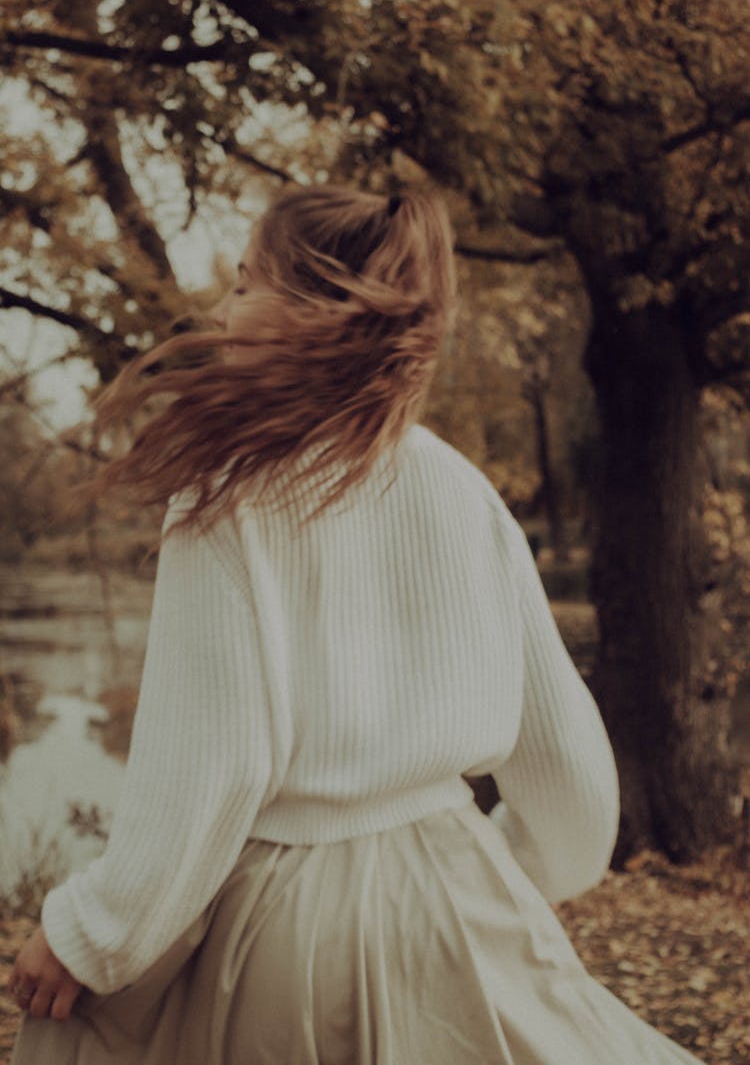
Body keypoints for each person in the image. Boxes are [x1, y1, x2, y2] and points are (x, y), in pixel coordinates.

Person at [9, 186, 703, 1064]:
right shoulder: (462, 490)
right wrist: (514, 879)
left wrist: (90, 933)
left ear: (315, 313)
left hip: (286, 928)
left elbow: (207, 770)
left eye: (247, 283)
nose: (222, 312)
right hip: (459, 889)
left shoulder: (227, 497)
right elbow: (566, 763)